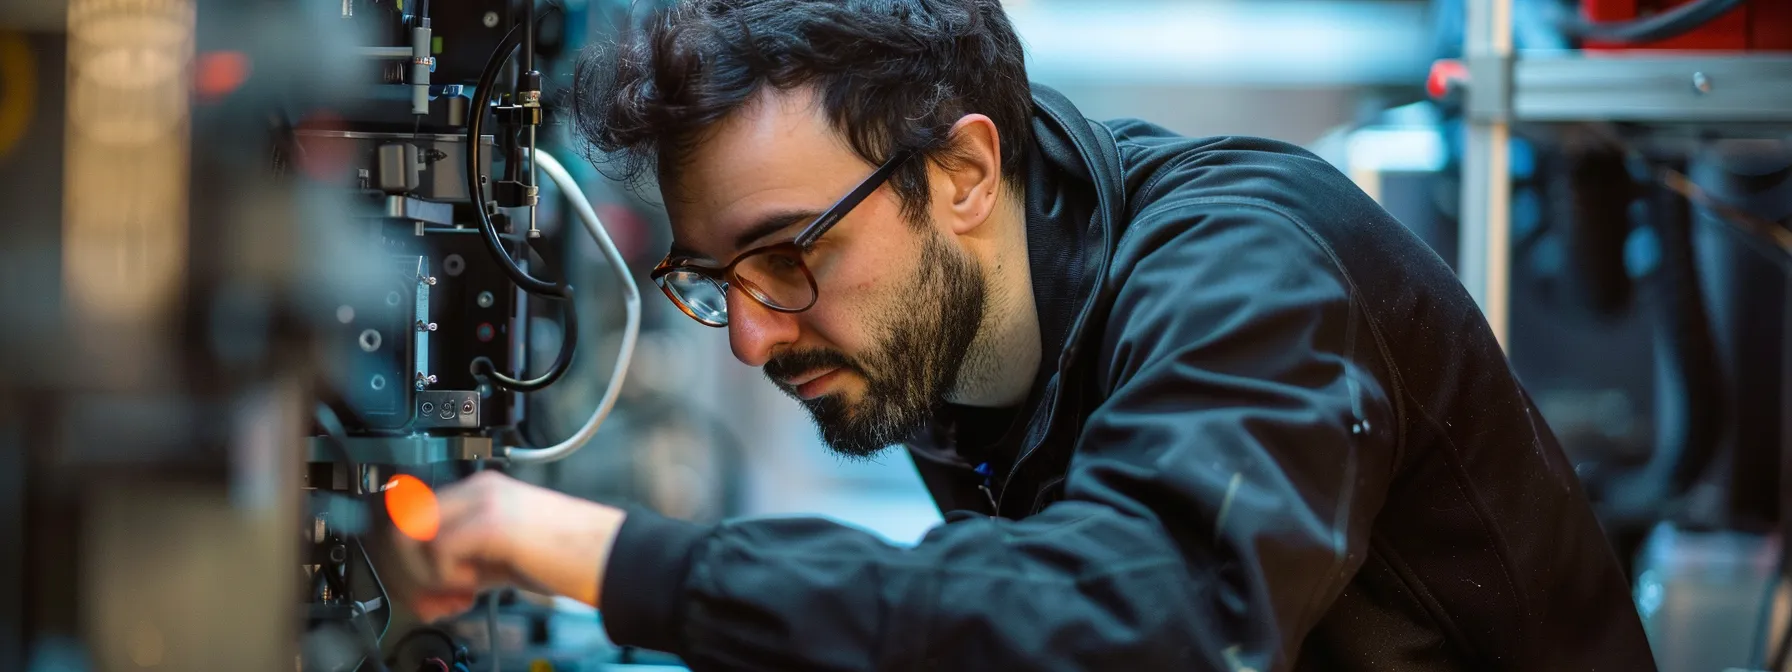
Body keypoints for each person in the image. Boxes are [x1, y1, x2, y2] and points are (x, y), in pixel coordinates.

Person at [400, 1, 1658, 669]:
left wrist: (617, 561)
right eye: (713, 279)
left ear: (959, 173)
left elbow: (1139, 627)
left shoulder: (1250, 271)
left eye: (788, 256)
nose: (749, 337)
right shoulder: (950, 334)